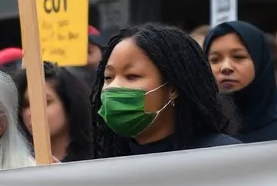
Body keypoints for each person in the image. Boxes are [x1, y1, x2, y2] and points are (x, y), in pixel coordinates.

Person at [92, 24, 240, 158]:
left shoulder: (224, 157)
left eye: (132, 76)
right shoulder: (105, 164)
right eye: (108, 77)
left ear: (173, 88)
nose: (112, 87)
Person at [204, 21, 277, 143]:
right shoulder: (193, 137)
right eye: (215, 60)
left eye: (238, 57)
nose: (225, 67)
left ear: (260, 63)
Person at [15, 63, 93, 162]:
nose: (33, 112)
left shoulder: (97, 158)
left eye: (46, 102)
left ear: (68, 103)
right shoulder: (16, 163)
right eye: (26, 105)